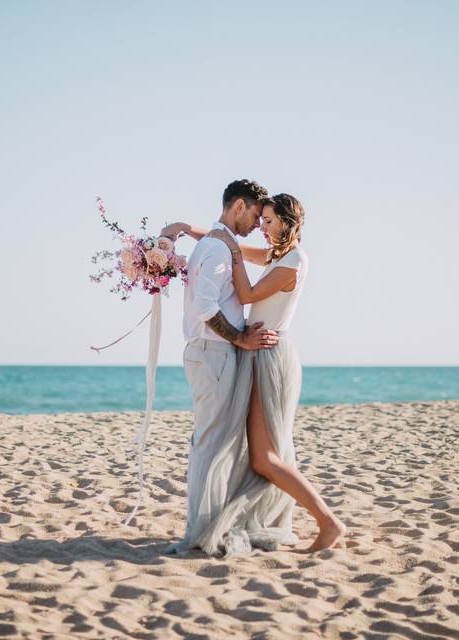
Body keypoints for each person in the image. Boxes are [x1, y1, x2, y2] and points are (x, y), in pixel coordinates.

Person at [161, 191, 348, 557]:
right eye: (261, 220)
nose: (262, 228)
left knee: (265, 457)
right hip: (258, 351)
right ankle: (309, 520)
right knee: (263, 453)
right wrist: (189, 230)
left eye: (270, 221)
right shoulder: (278, 255)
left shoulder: (294, 261)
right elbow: (234, 246)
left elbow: (244, 294)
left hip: (269, 355)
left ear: (289, 222)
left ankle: (328, 522)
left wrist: (228, 253)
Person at [159, 179, 281, 557]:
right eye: (256, 216)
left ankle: (205, 526)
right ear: (239, 206)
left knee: (215, 443)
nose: (257, 225)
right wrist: (240, 338)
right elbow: (205, 307)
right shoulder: (216, 248)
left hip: (213, 352)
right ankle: (201, 530)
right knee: (211, 443)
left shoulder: (218, 243)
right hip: (213, 352)